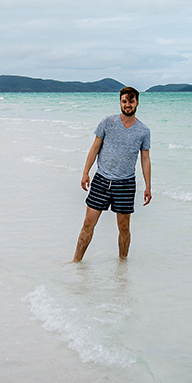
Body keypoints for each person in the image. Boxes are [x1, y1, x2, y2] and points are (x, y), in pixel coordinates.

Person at [73, 87, 152, 262]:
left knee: (124, 228)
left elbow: (145, 159)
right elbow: (95, 148)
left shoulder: (143, 131)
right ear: (120, 102)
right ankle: (76, 262)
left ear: (137, 103)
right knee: (88, 223)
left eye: (131, 101)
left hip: (125, 184)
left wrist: (148, 186)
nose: (128, 105)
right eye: (124, 101)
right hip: (101, 180)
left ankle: (122, 268)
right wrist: (85, 173)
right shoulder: (107, 122)